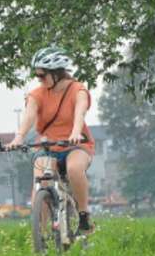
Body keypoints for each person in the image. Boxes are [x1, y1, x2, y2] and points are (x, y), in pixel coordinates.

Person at [7, 46, 96, 234]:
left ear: (56, 73)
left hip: (76, 144)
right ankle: (41, 232)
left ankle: (83, 215)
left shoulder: (77, 90)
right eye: (37, 76)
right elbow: (29, 116)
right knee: (41, 180)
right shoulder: (37, 94)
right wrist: (19, 137)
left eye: (42, 75)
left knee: (73, 169)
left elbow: (80, 112)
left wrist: (75, 132)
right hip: (48, 145)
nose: (38, 80)